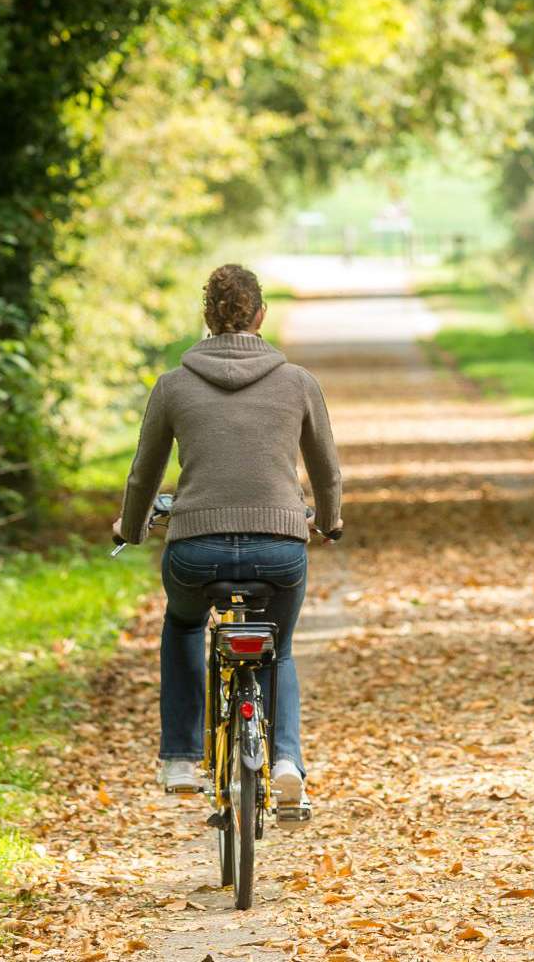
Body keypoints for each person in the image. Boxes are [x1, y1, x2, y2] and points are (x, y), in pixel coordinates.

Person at [112, 263, 343, 803]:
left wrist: (132, 525)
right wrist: (329, 521)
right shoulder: (298, 383)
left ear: (207, 320)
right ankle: (286, 759)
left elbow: (144, 474)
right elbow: (327, 471)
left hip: (196, 550)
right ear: (261, 315)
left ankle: (179, 758)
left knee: (185, 626)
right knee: (278, 649)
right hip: (279, 550)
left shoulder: (172, 386)